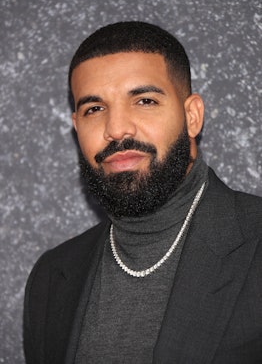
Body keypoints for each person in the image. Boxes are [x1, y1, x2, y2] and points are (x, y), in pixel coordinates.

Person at [23, 21, 262, 364]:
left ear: (192, 116)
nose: (117, 128)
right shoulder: (51, 279)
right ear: (77, 127)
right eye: (94, 109)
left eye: (144, 100)